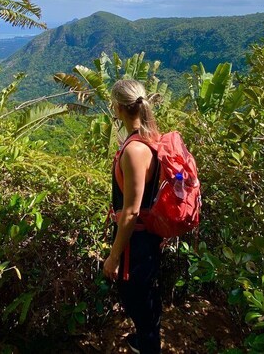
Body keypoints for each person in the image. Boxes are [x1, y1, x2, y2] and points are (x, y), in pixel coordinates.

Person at [103, 79, 163, 354]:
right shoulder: (148, 138)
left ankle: (149, 344)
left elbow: (131, 211)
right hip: (147, 236)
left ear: (118, 107)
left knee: (135, 296)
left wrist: (114, 257)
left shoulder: (134, 150)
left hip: (136, 240)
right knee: (144, 293)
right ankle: (145, 339)